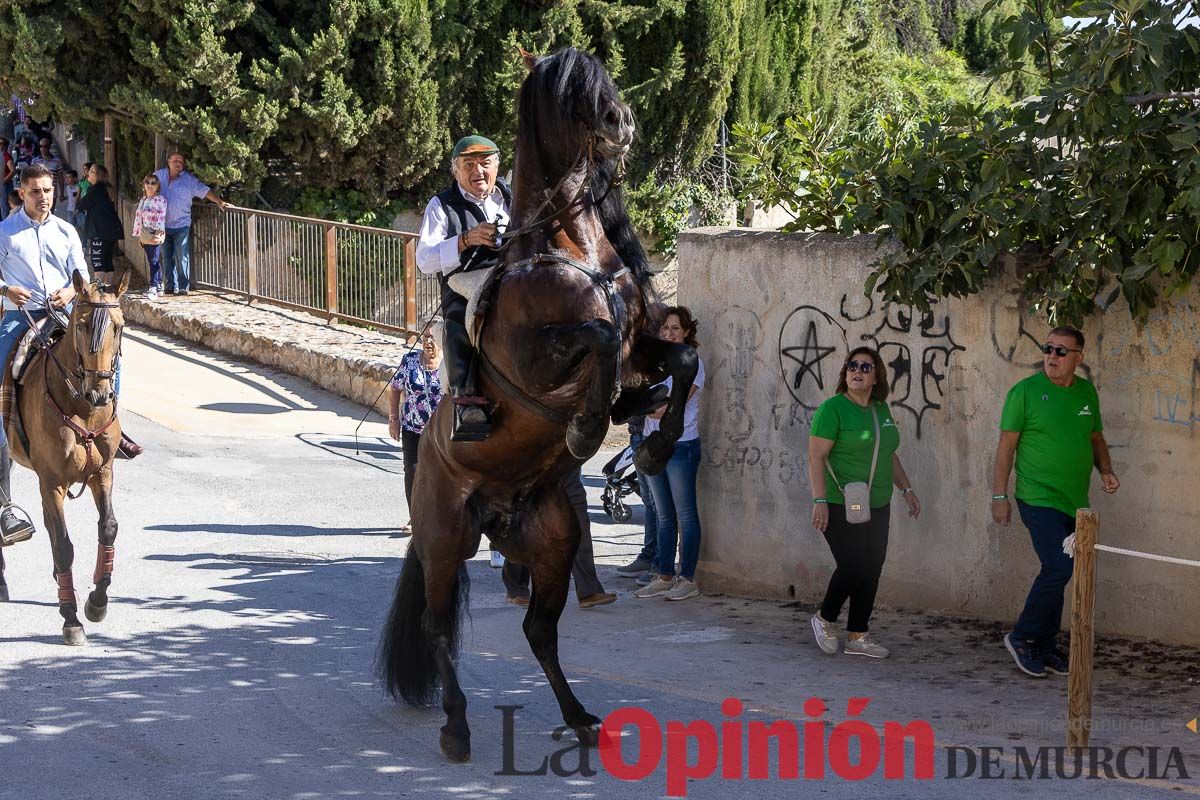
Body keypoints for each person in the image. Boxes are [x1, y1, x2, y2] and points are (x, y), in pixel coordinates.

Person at [992, 327, 1119, 678]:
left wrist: (1105, 469)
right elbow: (1006, 447)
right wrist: (999, 496)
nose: (1052, 356)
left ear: (1080, 357)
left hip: (1075, 502)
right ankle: (1022, 637)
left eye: (1062, 351)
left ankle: (1044, 646)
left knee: (1061, 572)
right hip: (1037, 497)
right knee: (1059, 568)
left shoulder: (1085, 393)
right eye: (1048, 348)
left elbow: (1095, 437)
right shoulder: (1026, 393)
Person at [804, 346, 921, 659]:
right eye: (851, 365)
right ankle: (825, 618)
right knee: (853, 564)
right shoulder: (833, 409)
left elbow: (887, 453)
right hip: (839, 500)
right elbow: (816, 456)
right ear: (845, 373)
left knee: (872, 567)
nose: (857, 371)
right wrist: (819, 500)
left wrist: (906, 489)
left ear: (876, 376)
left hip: (877, 500)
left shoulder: (880, 409)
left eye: (865, 367)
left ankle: (858, 634)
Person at [0, 164, 85, 543]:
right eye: (35, 191)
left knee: (105, 358)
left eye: (48, 190)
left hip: (62, 314)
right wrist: (6, 291)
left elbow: (80, 273)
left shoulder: (67, 231)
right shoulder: (5, 232)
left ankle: (116, 433)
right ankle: (4, 504)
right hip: (20, 317)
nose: (44, 197)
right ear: (21, 193)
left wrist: (69, 292)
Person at [415, 135, 511, 441]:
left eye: (485, 164)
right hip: (464, 281)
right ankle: (466, 397)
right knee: (458, 317)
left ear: (497, 166)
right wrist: (465, 240)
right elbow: (424, 259)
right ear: (456, 171)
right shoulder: (441, 205)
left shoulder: (513, 197)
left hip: (511, 277)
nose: (478, 171)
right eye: (469, 165)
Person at [634, 307, 707, 602]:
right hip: (653, 446)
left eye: (675, 328)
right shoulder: (656, 364)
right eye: (664, 328)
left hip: (681, 445)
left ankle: (687, 578)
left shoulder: (692, 363)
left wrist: (641, 404)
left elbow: (670, 407)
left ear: (687, 331)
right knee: (663, 515)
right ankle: (664, 575)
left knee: (685, 515)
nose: (669, 333)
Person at [501, 468, 618, 609]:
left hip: (567, 462)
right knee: (526, 518)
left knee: (578, 519)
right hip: (532, 460)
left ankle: (589, 590)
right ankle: (516, 585)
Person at [387, 319, 444, 522]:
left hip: (441, 431)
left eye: (433, 337)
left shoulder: (449, 364)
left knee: (439, 474)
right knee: (412, 472)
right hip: (412, 427)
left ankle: (438, 518)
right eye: (425, 337)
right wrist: (394, 418)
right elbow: (395, 388)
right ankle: (416, 518)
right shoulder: (410, 360)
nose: (428, 342)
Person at [154, 152, 228, 296]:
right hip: (161, 225)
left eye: (181, 162)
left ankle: (183, 287)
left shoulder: (189, 180)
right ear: (168, 161)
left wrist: (219, 201)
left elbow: (205, 191)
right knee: (166, 257)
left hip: (181, 224)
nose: (178, 163)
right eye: (175, 160)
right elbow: (147, 188)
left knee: (182, 256)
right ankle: (170, 286)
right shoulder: (158, 175)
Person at [615, 413, 659, 585]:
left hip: (654, 437)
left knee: (659, 506)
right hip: (638, 435)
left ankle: (659, 563)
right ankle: (649, 556)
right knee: (649, 502)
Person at [76, 164, 123, 287]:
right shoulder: (107, 189)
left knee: (97, 261)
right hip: (111, 230)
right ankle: (107, 290)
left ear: (98, 176)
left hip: (99, 231)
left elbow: (80, 205)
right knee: (107, 260)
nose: (87, 174)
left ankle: (99, 291)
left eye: (91, 172)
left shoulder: (96, 189)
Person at [132, 173, 168, 299]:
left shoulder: (160, 200)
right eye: (147, 182)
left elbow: (161, 218)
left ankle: (153, 286)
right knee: (153, 260)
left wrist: (158, 234)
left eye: (153, 183)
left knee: (153, 261)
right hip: (144, 234)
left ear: (158, 186)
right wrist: (139, 236)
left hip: (154, 233)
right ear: (144, 184)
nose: (150, 185)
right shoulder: (143, 200)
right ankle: (158, 286)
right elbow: (138, 219)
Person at [0, 138, 13, 222]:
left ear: (4, 146)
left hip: (5, 186)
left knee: (4, 208)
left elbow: (13, 171)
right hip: (3, 185)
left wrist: (3, 181)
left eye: (0, 143)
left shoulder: (6, 156)